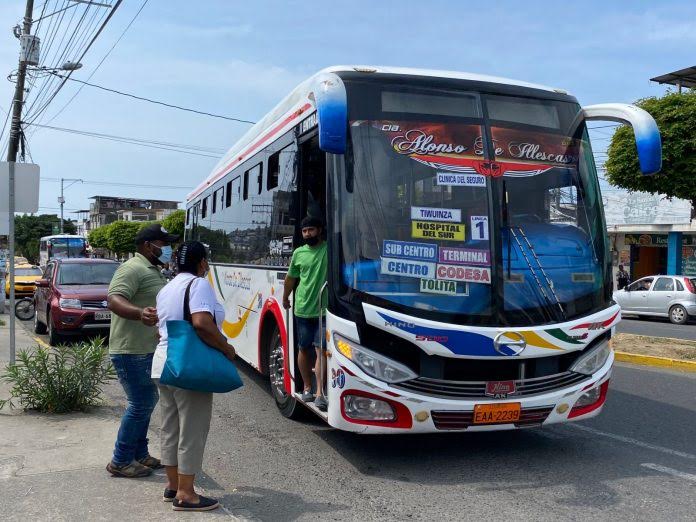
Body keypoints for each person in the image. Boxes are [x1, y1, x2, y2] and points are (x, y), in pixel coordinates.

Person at [152, 241, 236, 511]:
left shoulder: (167, 288)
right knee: (192, 430)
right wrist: (226, 347)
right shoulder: (198, 284)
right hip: (188, 366)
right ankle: (187, 495)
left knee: (171, 427)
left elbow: (160, 330)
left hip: (163, 363)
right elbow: (201, 322)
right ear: (202, 263)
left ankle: (173, 486)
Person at [106, 224, 179, 478]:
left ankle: (139, 454)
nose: (168, 248)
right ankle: (121, 460)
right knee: (141, 403)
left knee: (147, 402)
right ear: (149, 245)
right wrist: (139, 313)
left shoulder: (153, 269)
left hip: (146, 348)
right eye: (164, 243)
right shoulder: (132, 268)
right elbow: (114, 298)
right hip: (130, 350)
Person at [283, 216, 328, 411]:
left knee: (321, 350)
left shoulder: (329, 249)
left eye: (311, 230)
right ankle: (307, 387)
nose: (307, 234)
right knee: (303, 349)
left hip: (324, 311)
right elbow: (290, 279)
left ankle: (320, 393)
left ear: (319, 230)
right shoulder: (298, 253)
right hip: (302, 309)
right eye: (304, 231)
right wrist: (285, 298)